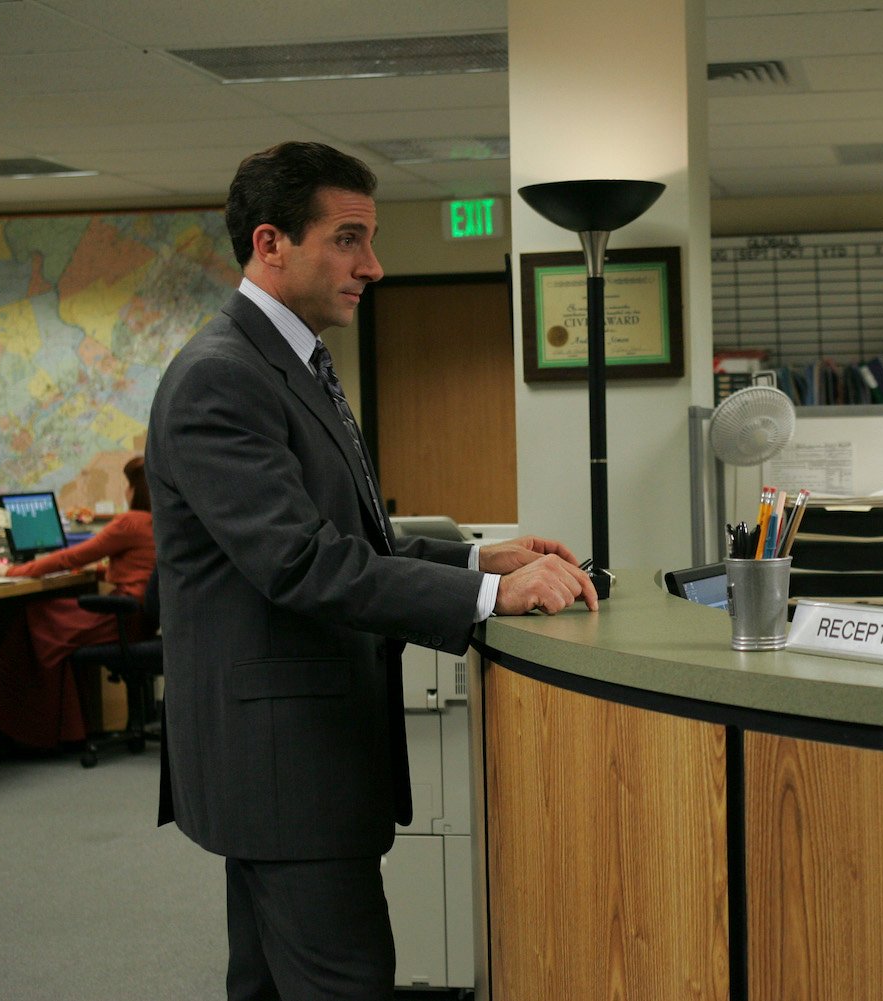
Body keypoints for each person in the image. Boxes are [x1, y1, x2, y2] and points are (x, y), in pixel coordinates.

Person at [145, 141, 598, 1001]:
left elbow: (350, 533)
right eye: (349, 238)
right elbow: (303, 561)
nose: (375, 265)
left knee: (273, 986)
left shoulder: (290, 362)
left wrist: (477, 554)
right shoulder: (223, 379)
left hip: (284, 760)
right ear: (271, 243)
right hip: (282, 765)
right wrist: (491, 596)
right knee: (343, 983)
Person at [0, 456, 156, 749]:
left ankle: (17, 726)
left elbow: (70, 557)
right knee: (51, 619)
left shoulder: (130, 522)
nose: (125, 491)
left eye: (127, 485)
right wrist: (98, 570)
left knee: (36, 616)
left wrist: (12, 571)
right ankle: (61, 727)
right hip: (141, 621)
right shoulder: (156, 522)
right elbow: (141, 569)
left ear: (135, 489)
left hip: (122, 618)